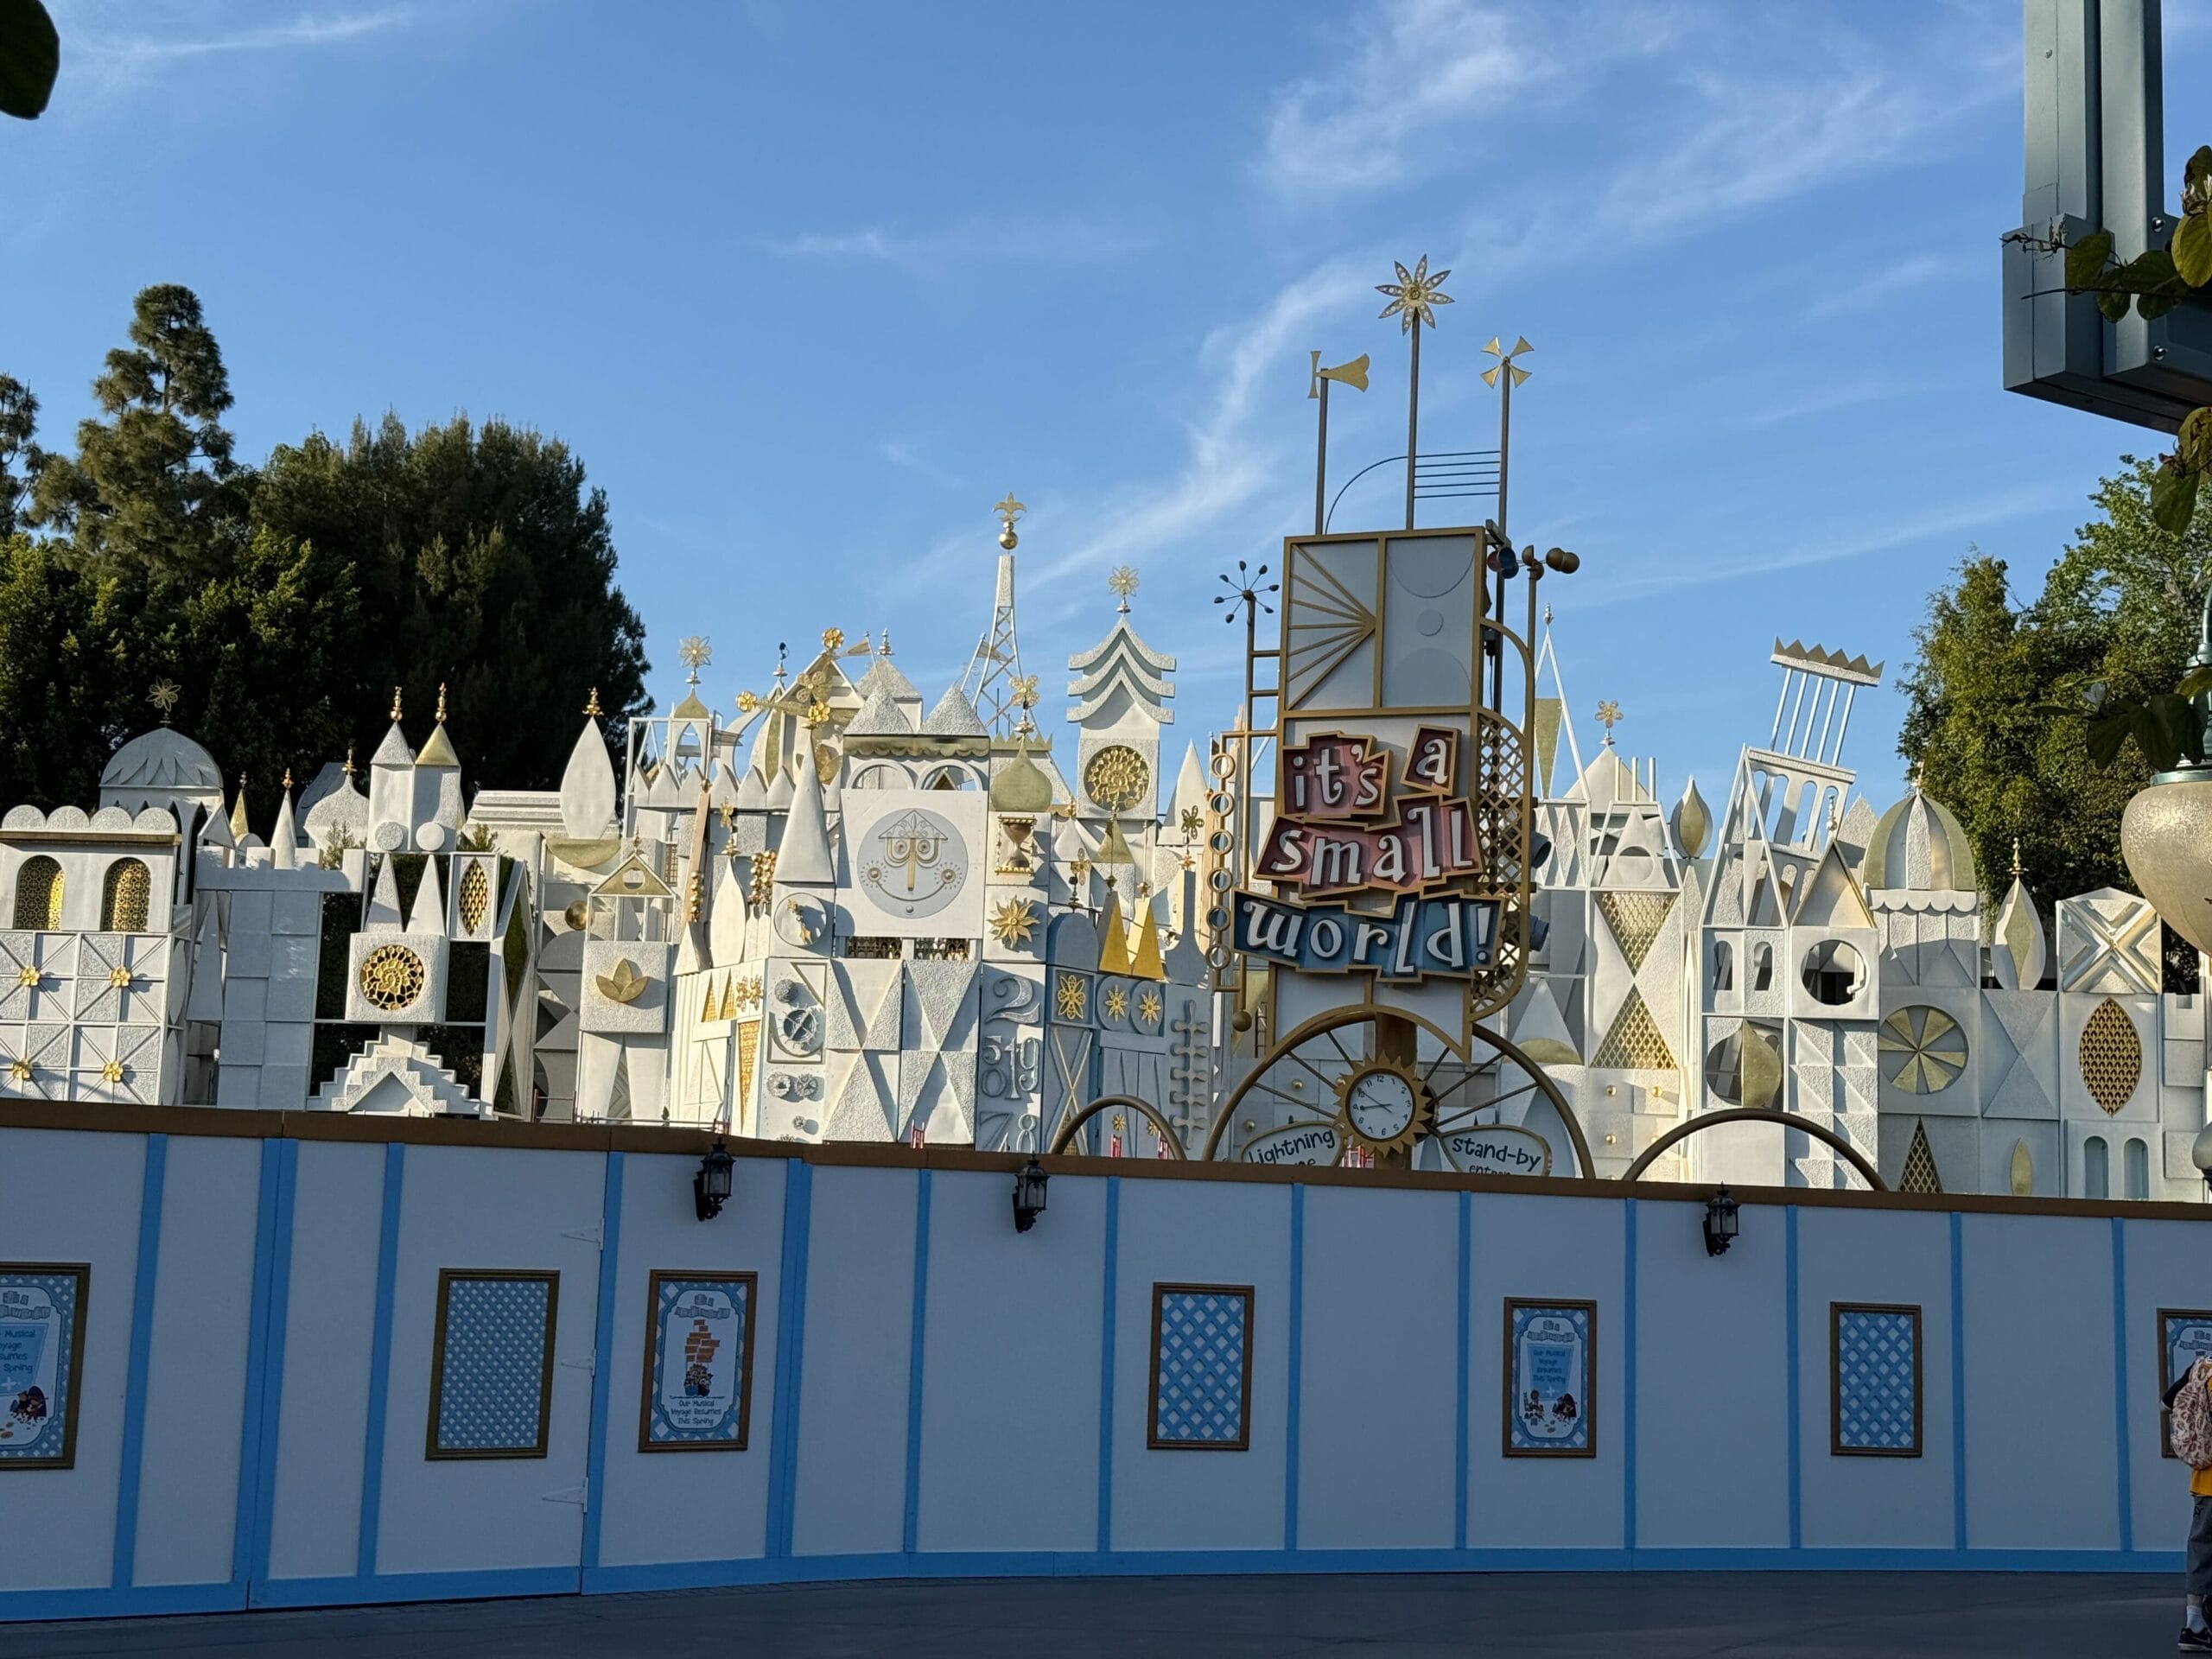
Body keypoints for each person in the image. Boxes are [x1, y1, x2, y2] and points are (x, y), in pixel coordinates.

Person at [2164, 1356, 2212, 1651]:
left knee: (2202, 1550)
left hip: (2206, 1481)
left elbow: (2166, 1404)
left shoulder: (2201, 1370)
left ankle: (2193, 1624)